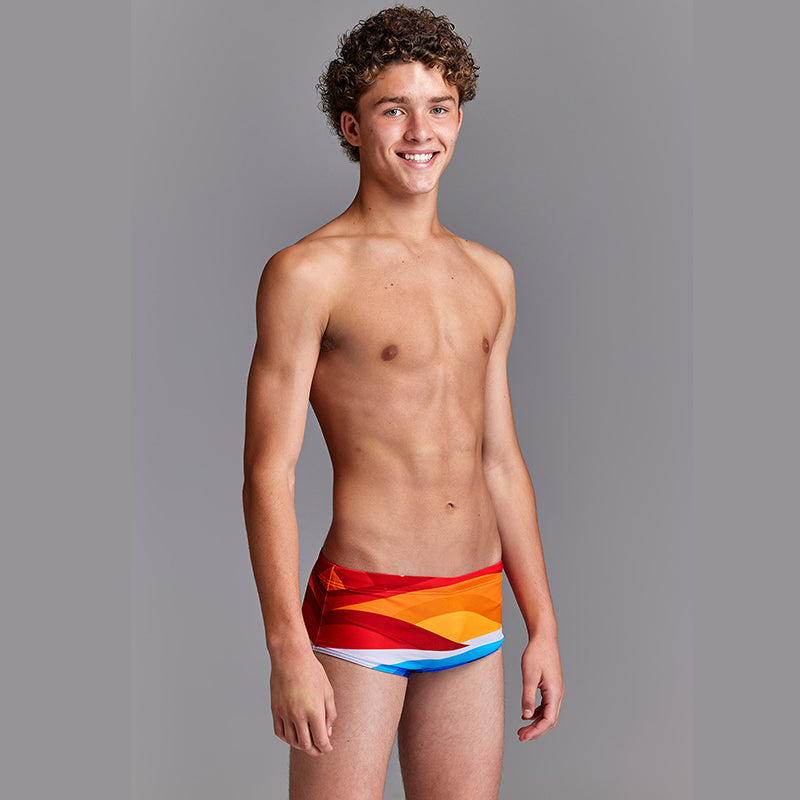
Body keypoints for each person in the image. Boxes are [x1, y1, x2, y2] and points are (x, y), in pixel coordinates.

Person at [242, 6, 564, 798]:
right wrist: (287, 646)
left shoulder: (491, 275)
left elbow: (501, 461)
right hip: (364, 604)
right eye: (394, 109)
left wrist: (543, 624)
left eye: (439, 107)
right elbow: (268, 473)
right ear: (352, 126)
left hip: (473, 602)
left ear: (459, 118)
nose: (422, 131)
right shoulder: (309, 273)